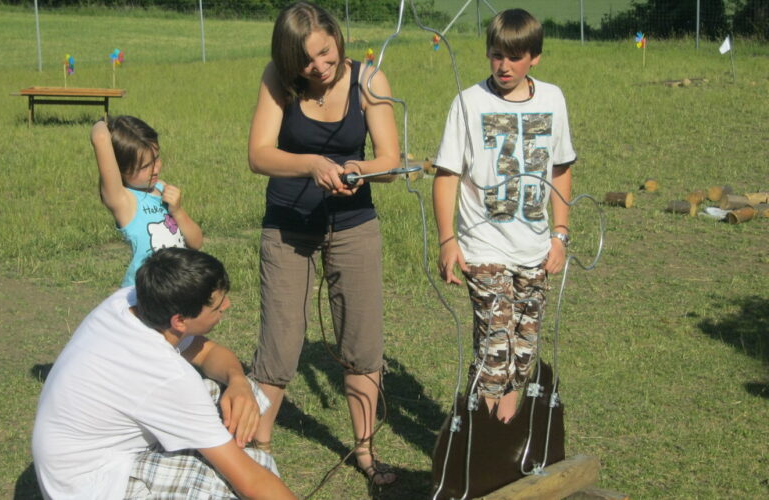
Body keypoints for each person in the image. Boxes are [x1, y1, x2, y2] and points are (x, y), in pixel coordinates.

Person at [246, 1, 400, 486]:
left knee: (362, 341)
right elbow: (259, 154)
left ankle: (366, 453)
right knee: (280, 343)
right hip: (288, 224)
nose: (319, 67)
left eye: (325, 53)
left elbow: (390, 159)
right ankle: (258, 450)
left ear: (337, 38)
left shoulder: (370, 80)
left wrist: (358, 170)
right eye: (306, 61)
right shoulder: (278, 78)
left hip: (354, 224)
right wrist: (312, 163)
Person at [32, 248, 296, 499]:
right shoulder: (166, 375)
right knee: (233, 480)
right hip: (91, 486)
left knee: (225, 396)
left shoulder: (131, 302)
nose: (226, 305)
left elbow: (207, 353)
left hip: (76, 461)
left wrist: (238, 381)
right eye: (216, 306)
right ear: (179, 321)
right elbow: (250, 483)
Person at [432, 9, 575, 424]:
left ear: (535, 57)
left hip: (535, 247)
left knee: (524, 352)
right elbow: (446, 176)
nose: (504, 66)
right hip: (483, 247)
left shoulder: (553, 99)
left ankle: (505, 435)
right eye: (496, 55)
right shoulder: (469, 102)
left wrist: (560, 235)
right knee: (496, 349)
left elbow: (561, 169)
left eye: (514, 57)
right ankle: (479, 443)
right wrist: (447, 240)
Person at [91, 116, 203, 288]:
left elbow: (196, 243)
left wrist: (178, 211)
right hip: (142, 293)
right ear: (120, 169)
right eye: (144, 167)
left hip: (175, 288)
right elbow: (100, 138)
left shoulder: (161, 188)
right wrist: (103, 122)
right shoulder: (123, 200)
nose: (155, 169)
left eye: (156, 158)